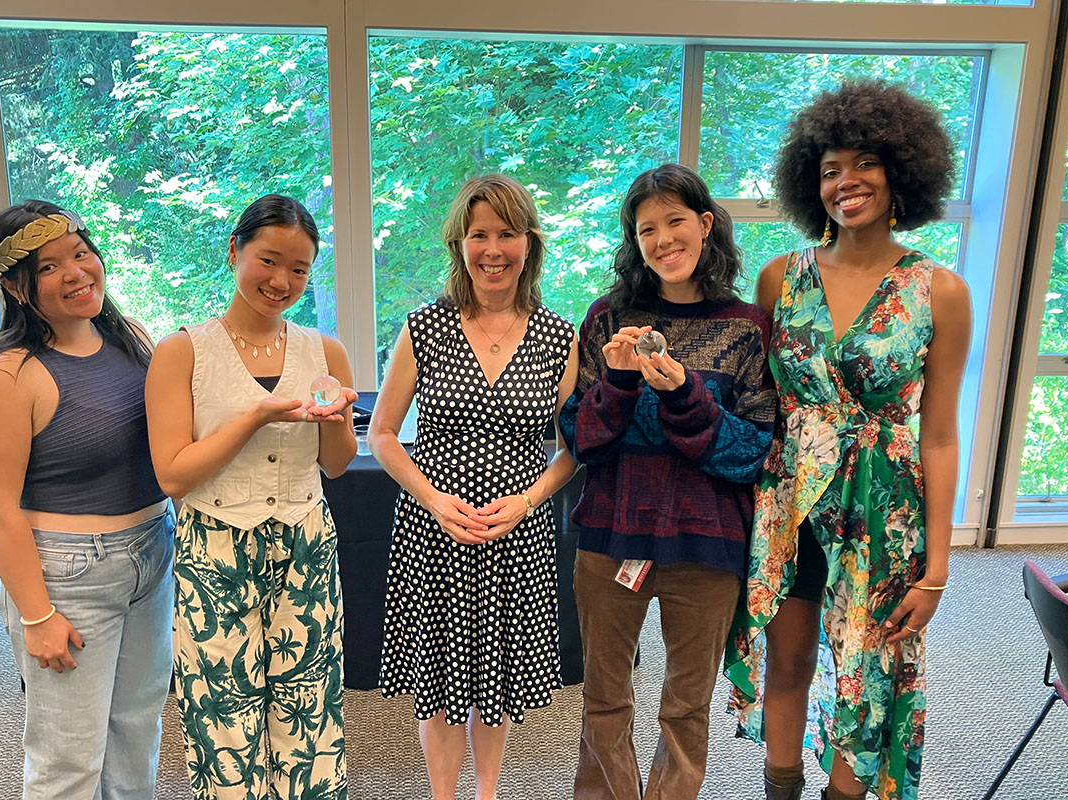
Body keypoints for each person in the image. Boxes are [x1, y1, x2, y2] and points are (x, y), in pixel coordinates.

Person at [725, 81, 974, 800]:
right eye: (830, 168)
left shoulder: (939, 291)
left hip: (883, 505)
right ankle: (781, 787)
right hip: (790, 500)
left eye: (864, 163)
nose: (846, 182)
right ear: (811, 181)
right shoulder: (781, 278)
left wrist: (938, 566)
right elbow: (757, 404)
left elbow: (941, 435)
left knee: (868, 667)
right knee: (791, 655)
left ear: (903, 171)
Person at [558, 163, 776, 800]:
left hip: (706, 541)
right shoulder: (606, 318)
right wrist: (620, 382)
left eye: (675, 221)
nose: (663, 239)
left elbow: (752, 452)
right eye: (646, 228)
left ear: (705, 225)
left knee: (686, 707)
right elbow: (582, 438)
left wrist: (685, 395)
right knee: (604, 699)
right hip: (610, 534)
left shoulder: (747, 328)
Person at [370, 174, 578, 800]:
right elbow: (381, 435)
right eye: (478, 234)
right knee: (436, 682)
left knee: (498, 687)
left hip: (518, 533)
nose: (493, 249)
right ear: (458, 244)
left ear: (529, 244)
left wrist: (526, 501)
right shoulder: (424, 327)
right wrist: (432, 499)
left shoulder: (559, 335)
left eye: (506, 234)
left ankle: (486, 791)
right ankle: (442, 794)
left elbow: (574, 449)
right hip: (433, 532)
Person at [0, 200, 174, 800]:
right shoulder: (3, 375)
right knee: (68, 759)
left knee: (137, 734)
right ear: (15, 286)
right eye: (49, 266)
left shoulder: (130, 339)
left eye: (81, 254)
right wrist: (36, 615)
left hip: (153, 551)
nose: (77, 273)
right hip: (68, 573)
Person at [144, 194, 357, 800]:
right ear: (235, 250)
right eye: (269, 260)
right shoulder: (183, 351)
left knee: (310, 703)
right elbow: (173, 475)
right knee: (221, 710)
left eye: (299, 269)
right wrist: (256, 417)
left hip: (306, 541)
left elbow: (337, 464)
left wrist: (335, 417)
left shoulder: (326, 350)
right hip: (214, 544)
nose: (281, 280)